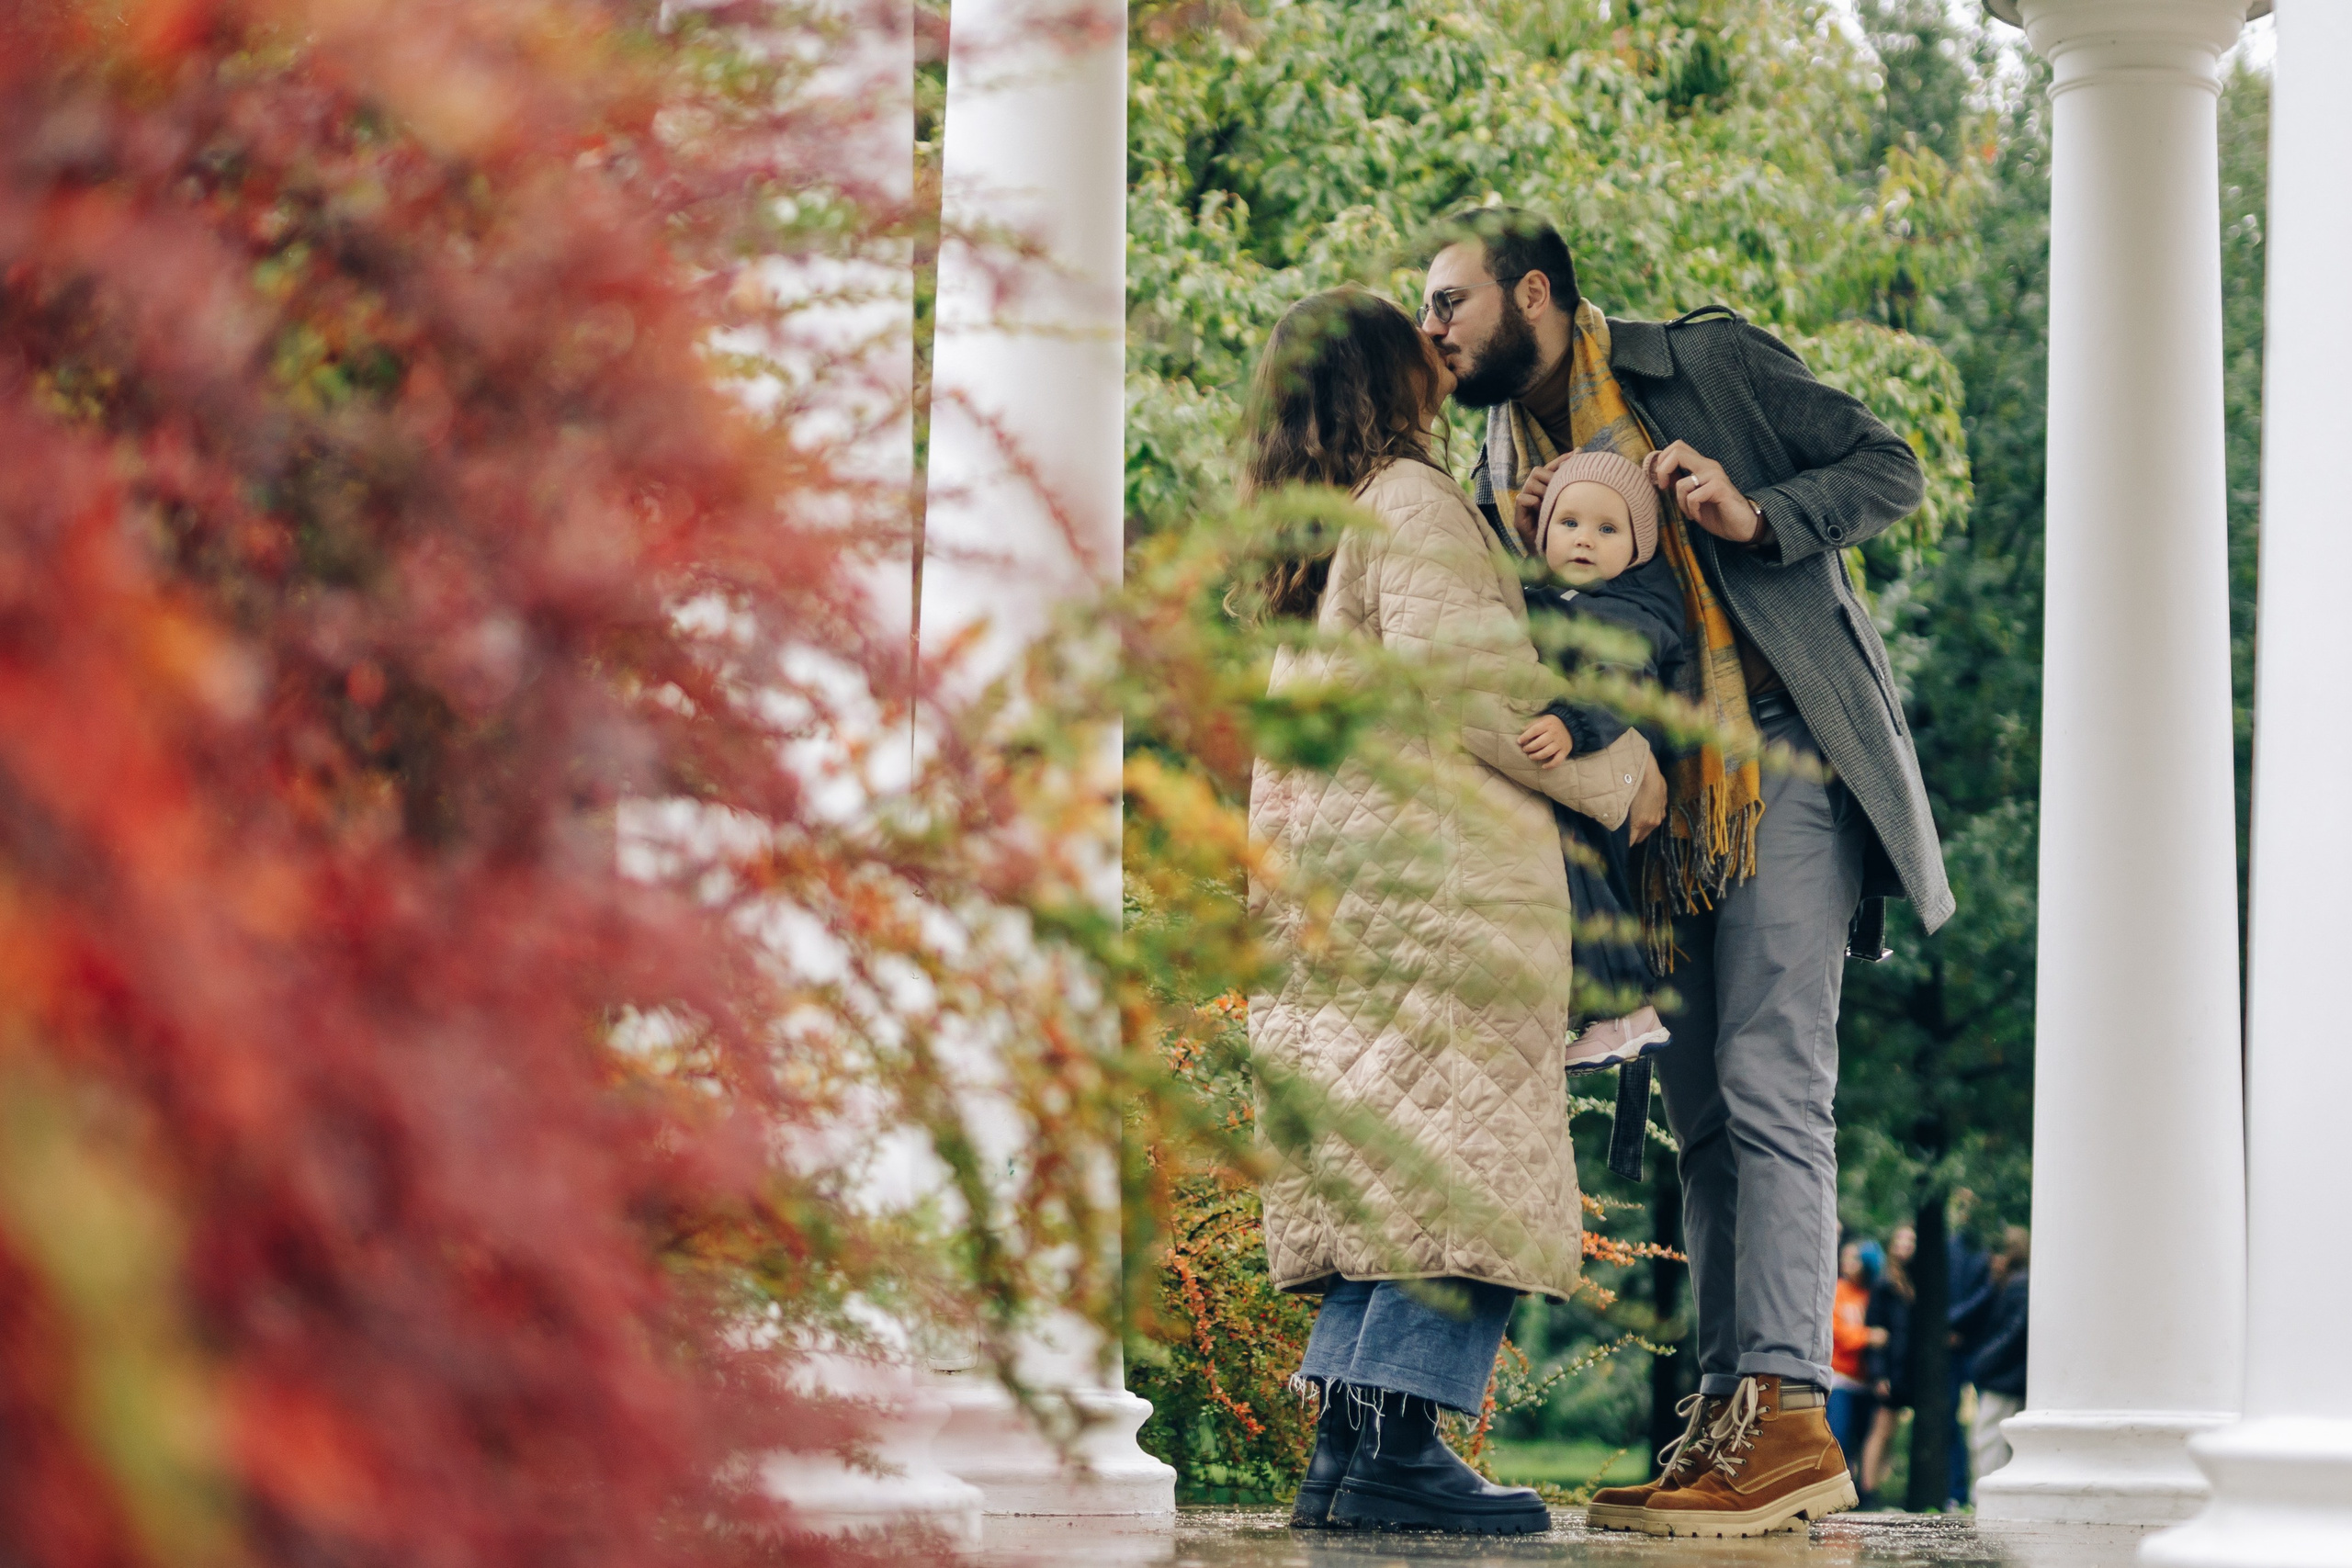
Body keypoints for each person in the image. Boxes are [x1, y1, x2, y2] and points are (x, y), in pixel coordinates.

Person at [1416, 205, 1950, 1540]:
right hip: (1655, 800)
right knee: (1702, 1109)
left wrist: (1755, 510)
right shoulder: (1499, 447)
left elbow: (1890, 469)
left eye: (1449, 304)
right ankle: (1727, 1419)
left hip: (1782, 755)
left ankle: (1789, 1408)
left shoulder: (1698, 362)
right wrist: (1520, 536)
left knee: (1773, 1078)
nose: (1430, 329)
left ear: (1533, 295)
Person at [1242, 286, 1659, 1535]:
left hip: (1352, 909)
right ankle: (1403, 1453)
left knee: (1394, 1180)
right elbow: (1484, 696)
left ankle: (1351, 1453)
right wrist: (1621, 775)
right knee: (1458, 1175)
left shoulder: (1324, 532)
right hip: (1442, 902)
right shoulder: (1414, 503)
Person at [1513, 449, 1683, 1077]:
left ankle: (1624, 1012)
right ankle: (1601, 1010)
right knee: (1571, 885)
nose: (1584, 539)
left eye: (1607, 530)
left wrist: (1569, 723)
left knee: (1586, 880)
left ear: (1636, 549)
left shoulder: (1629, 613)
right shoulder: (1553, 595)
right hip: (1579, 773)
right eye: (1569, 523)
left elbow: (1621, 686)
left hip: (1604, 769)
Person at [1961, 1227, 2030, 1483]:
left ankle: (1988, 1500)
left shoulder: (2019, 1286)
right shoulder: (2008, 1285)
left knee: (1989, 1439)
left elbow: (2014, 1332)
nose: (1992, 1259)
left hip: (2005, 1380)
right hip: (2006, 1378)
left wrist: (1982, 1362)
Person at [1860, 1224, 1917, 1505]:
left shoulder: (1911, 1283)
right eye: (1901, 1241)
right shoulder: (1884, 1285)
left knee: (1891, 1433)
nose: (1906, 1246)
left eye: (1911, 1241)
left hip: (1905, 1370)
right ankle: (1868, 1490)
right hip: (1889, 1370)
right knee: (1881, 1430)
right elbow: (1875, 1331)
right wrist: (1879, 1374)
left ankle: (1876, 1486)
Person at [1827, 1239, 1884, 1478]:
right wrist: (1868, 1337)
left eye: (1855, 1258)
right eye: (1846, 1257)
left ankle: (1861, 1489)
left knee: (1863, 1438)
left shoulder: (1874, 1294)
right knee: (1838, 1434)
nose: (1848, 1263)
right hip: (1841, 1378)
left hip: (1867, 1380)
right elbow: (1836, 1331)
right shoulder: (1837, 1291)